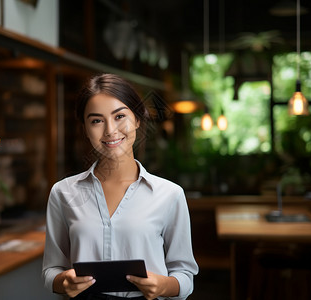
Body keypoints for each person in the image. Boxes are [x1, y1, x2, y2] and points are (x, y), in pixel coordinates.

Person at [42, 73, 198, 300]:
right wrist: (64, 282)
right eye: (96, 120)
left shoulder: (170, 194)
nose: (110, 131)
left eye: (120, 116)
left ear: (137, 119)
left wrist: (163, 286)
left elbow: (184, 274)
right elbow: (50, 271)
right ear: (85, 128)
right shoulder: (63, 193)